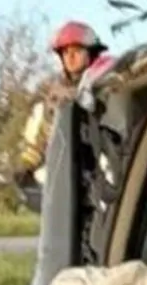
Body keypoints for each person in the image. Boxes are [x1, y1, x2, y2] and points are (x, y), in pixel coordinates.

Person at [14, 21, 108, 192]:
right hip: (66, 171)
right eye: (66, 52)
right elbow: (40, 136)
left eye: (77, 51)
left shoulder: (107, 83)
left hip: (104, 168)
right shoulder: (54, 96)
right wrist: (26, 166)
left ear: (91, 53)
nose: (70, 58)